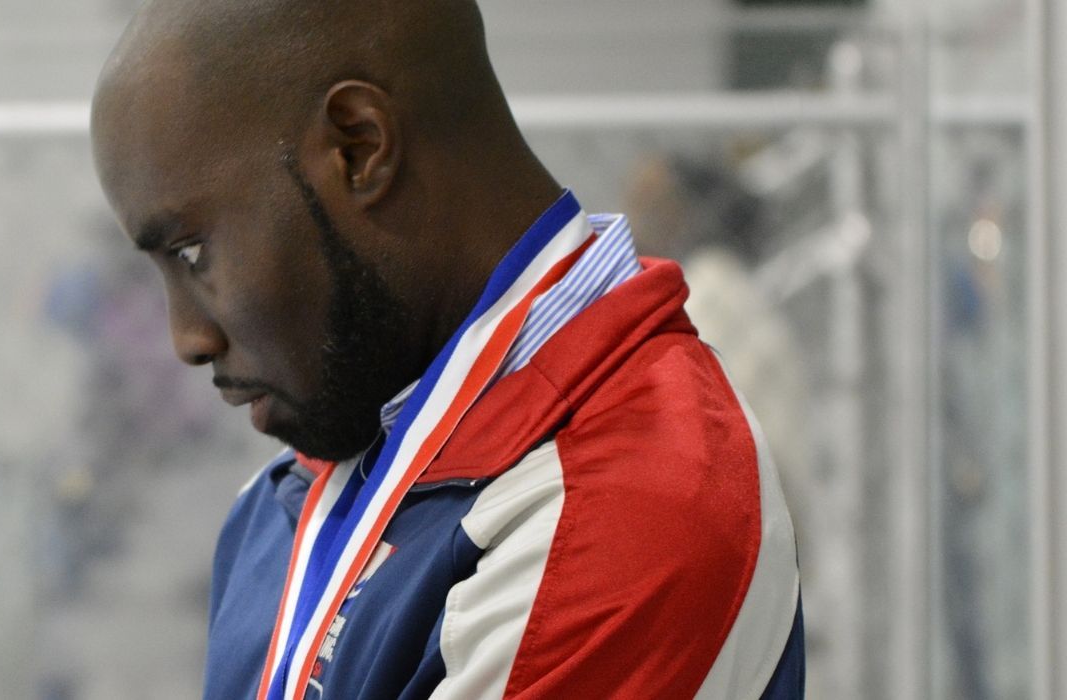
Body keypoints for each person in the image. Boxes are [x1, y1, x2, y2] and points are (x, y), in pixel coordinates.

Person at [89, 0, 804, 697]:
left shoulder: (627, 514)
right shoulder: (290, 496)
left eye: (191, 252)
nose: (187, 338)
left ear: (358, 147)